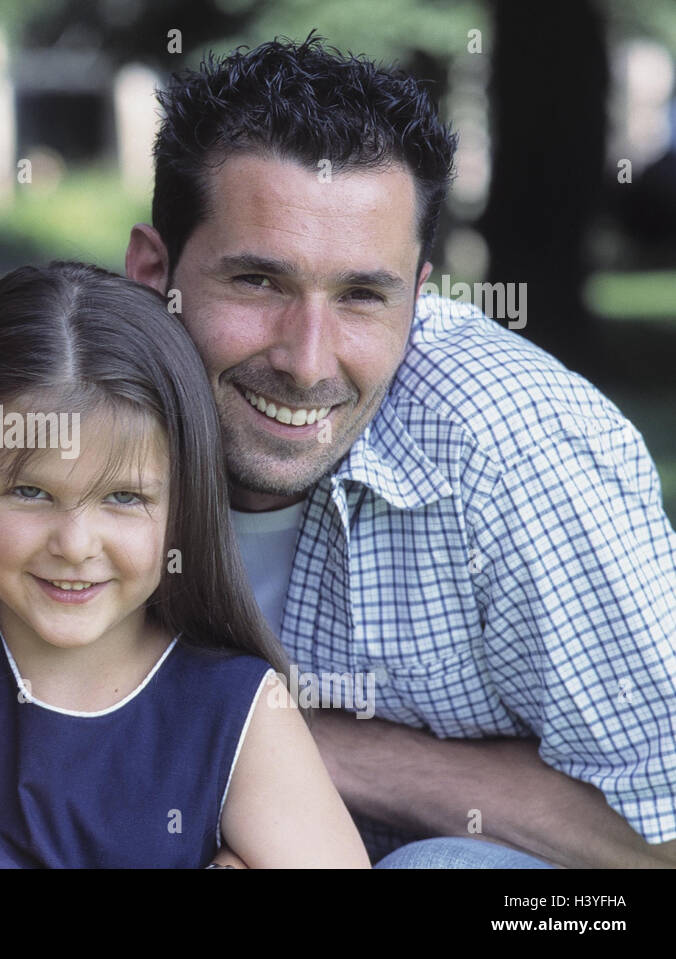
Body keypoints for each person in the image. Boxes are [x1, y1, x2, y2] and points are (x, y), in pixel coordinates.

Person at [124, 36, 676, 868]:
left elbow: (664, 830)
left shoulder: (517, 446)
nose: (307, 362)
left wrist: (279, 740)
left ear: (418, 299)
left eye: (361, 296)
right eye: (258, 282)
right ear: (150, 273)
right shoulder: (39, 407)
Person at [0, 261, 371, 868]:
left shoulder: (240, 709)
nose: (76, 544)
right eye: (32, 493)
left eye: (124, 498)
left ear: (185, 501)